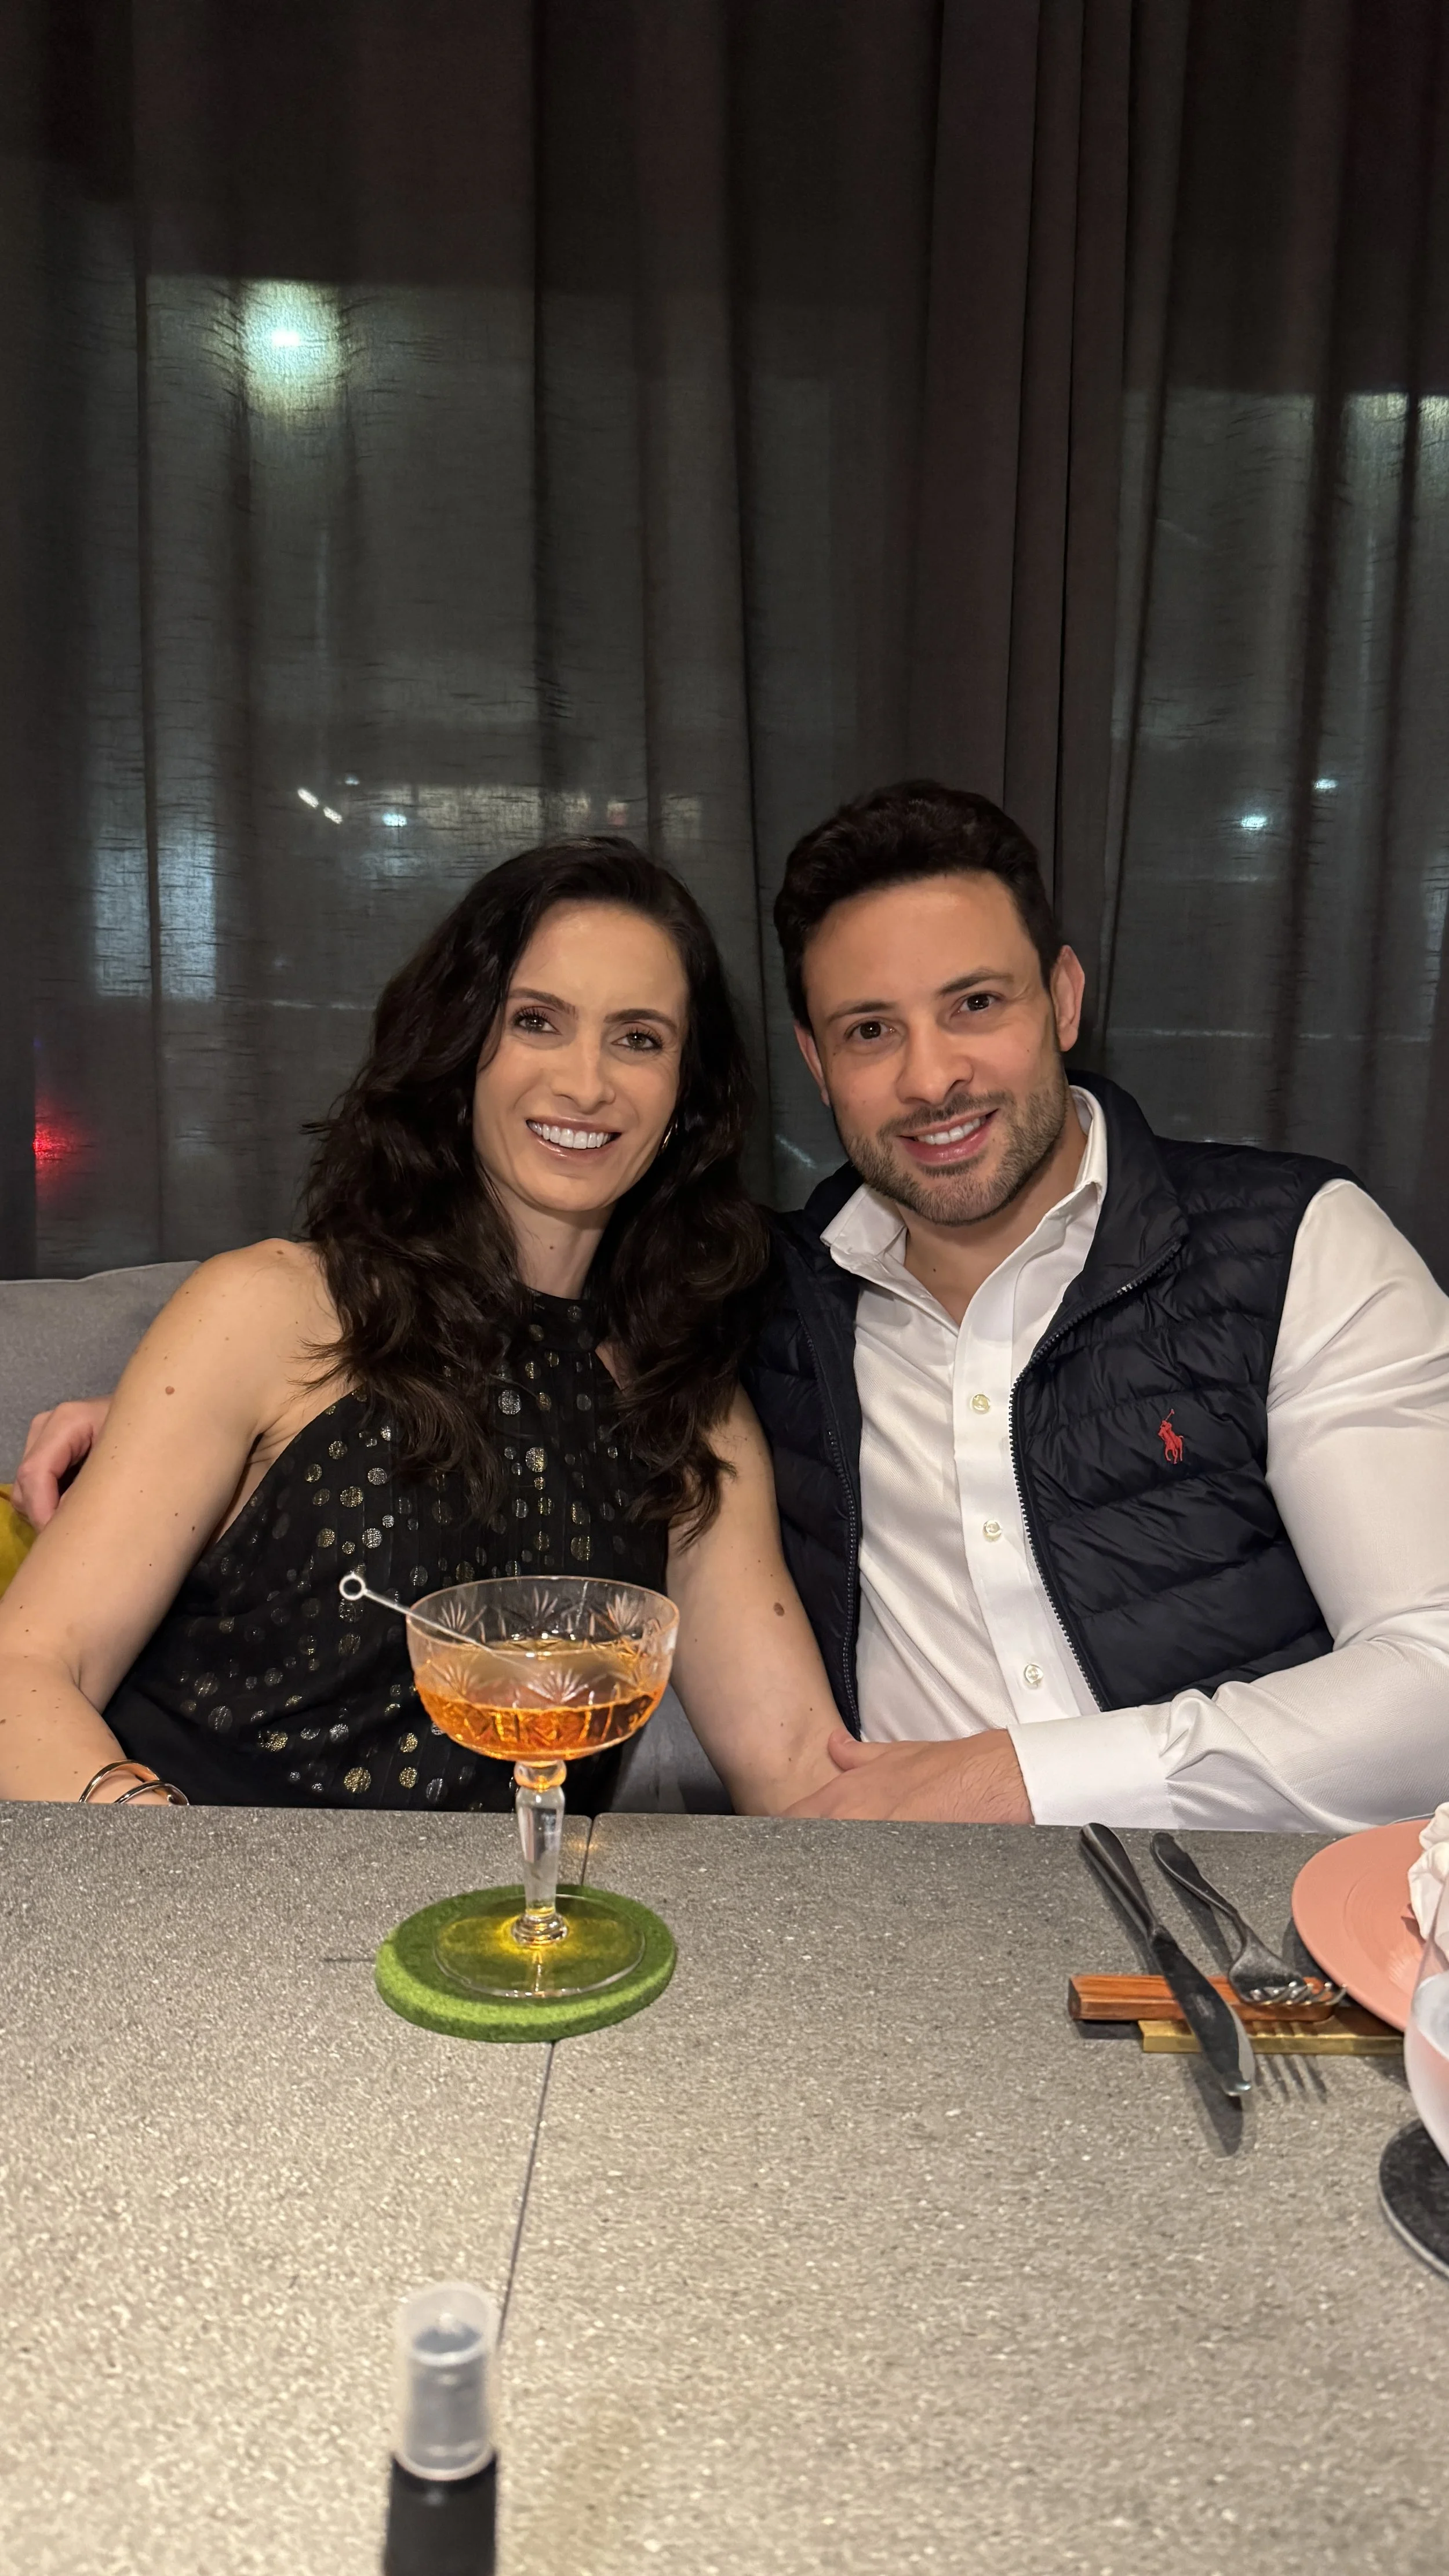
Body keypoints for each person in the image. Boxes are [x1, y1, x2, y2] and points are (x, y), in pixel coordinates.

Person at [0, 839, 840, 1812]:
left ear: (686, 1100)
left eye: (639, 1038)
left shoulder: (686, 1406)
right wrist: (160, 1849)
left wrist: (1025, 1796)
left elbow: (794, 1769)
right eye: (536, 1022)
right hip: (187, 1905)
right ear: (461, 1046)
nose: (586, 1083)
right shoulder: (272, 1308)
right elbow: (28, 1671)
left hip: (501, 1946)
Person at [742, 780, 1449, 1832]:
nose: (932, 1078)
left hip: (1268, 1939)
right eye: (871, 1031)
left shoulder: (1298, 1243)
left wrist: (1023, 1780)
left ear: (1064, 999)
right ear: (816, 1061)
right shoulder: (764, 1305)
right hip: (917, 1932)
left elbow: (1432, 1682)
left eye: (976, 1004)